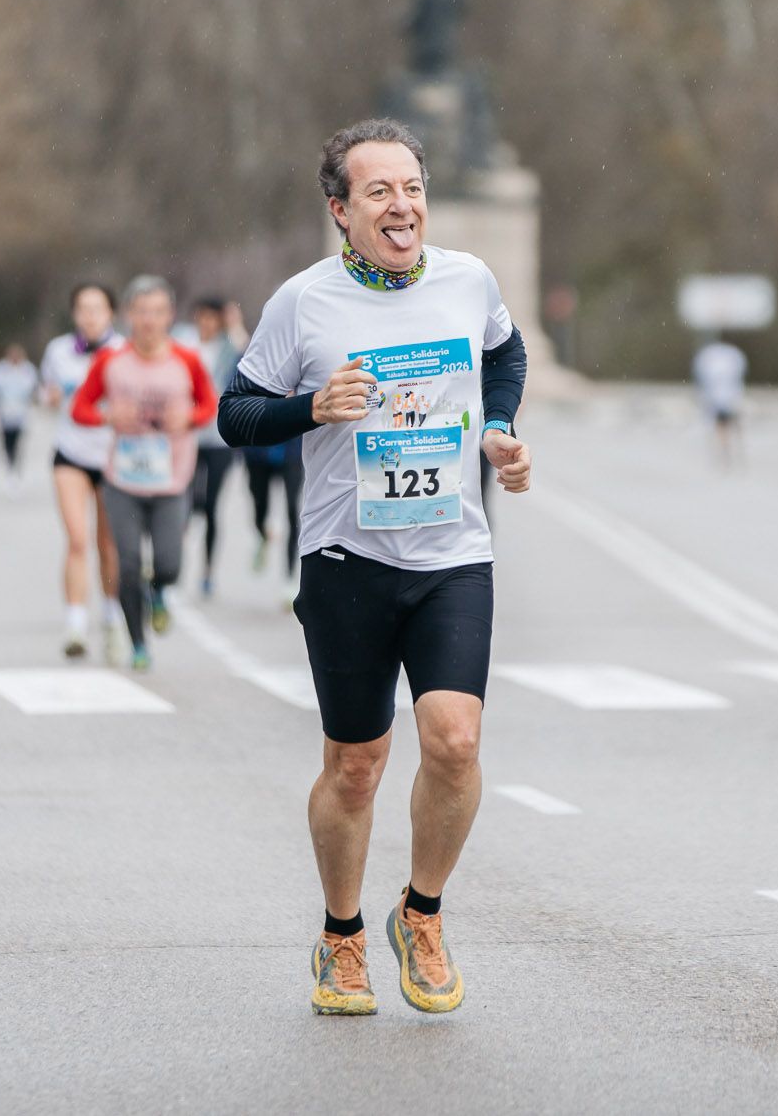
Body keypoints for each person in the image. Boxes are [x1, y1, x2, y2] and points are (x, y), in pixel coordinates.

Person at [218, 118, 532, 1018]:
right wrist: (311, 407)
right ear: (341, 211)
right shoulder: (304, 304)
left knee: (454, 739)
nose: (404, 206)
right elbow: (235, 414)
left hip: (452, 554)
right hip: (345, 558)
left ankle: (421, 914)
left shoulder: (468, 280)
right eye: (380, 192)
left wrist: (500, 430)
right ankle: (342, 934)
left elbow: (503, 351)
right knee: (356, 764)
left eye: (413, 188)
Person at [70, 276, 217, 671]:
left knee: (168, 563)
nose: (149, 320)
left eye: (157, 312)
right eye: (142, 312)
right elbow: (79, 408)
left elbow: (210, 406)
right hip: (123, 480)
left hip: (172, 479)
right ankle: (138, 644)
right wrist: (106, 415)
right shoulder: (110, 361)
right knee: (128, 563)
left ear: (169, 315)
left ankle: (160, 592)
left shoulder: (186, 360)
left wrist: (188, 417)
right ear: (128, 315)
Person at [41, 284, 126, 661]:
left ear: (111, 313)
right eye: (83, 309)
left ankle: (111, 616)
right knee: (76, 540)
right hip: (71, 453)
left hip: (111, 456)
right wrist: (51, 398)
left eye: (98, 309)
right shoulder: (58, 351)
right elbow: (45, 394)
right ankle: (75, 623)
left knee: (108, 544)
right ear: (74, 314)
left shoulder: (124, 352)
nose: (90, 316)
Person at [173, 298, 247, 596]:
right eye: (202, 317)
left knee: (213, 506)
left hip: (219, 438)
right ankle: (175, 565)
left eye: (213, 319)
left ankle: (207, 570)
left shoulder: (229, 347)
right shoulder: (184, 343)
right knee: (185, 503)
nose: (207, 323)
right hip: (187, 435)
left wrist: (235, 323)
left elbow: (250, 351)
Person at [242, 438, 304, 604]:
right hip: (258, 450)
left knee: (292, 511)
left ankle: (290, 578)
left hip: (292, 450)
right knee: (259, 510)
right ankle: (263, 535)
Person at [0, 344, 42, 485]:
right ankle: (10, 465)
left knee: (17, 442)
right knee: (6, 442)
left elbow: (33, 389)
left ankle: (15, 467)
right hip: (4, 414)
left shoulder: (27, 370)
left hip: (21, 415)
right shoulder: (0, 370)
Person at [692, 336, 747, 467]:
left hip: (717, 396)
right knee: (733, 423)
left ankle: (725, 453)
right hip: (731, 396)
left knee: (722, 425)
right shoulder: (734, 355)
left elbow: (701, 376)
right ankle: (736, 451)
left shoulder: (708, 357)